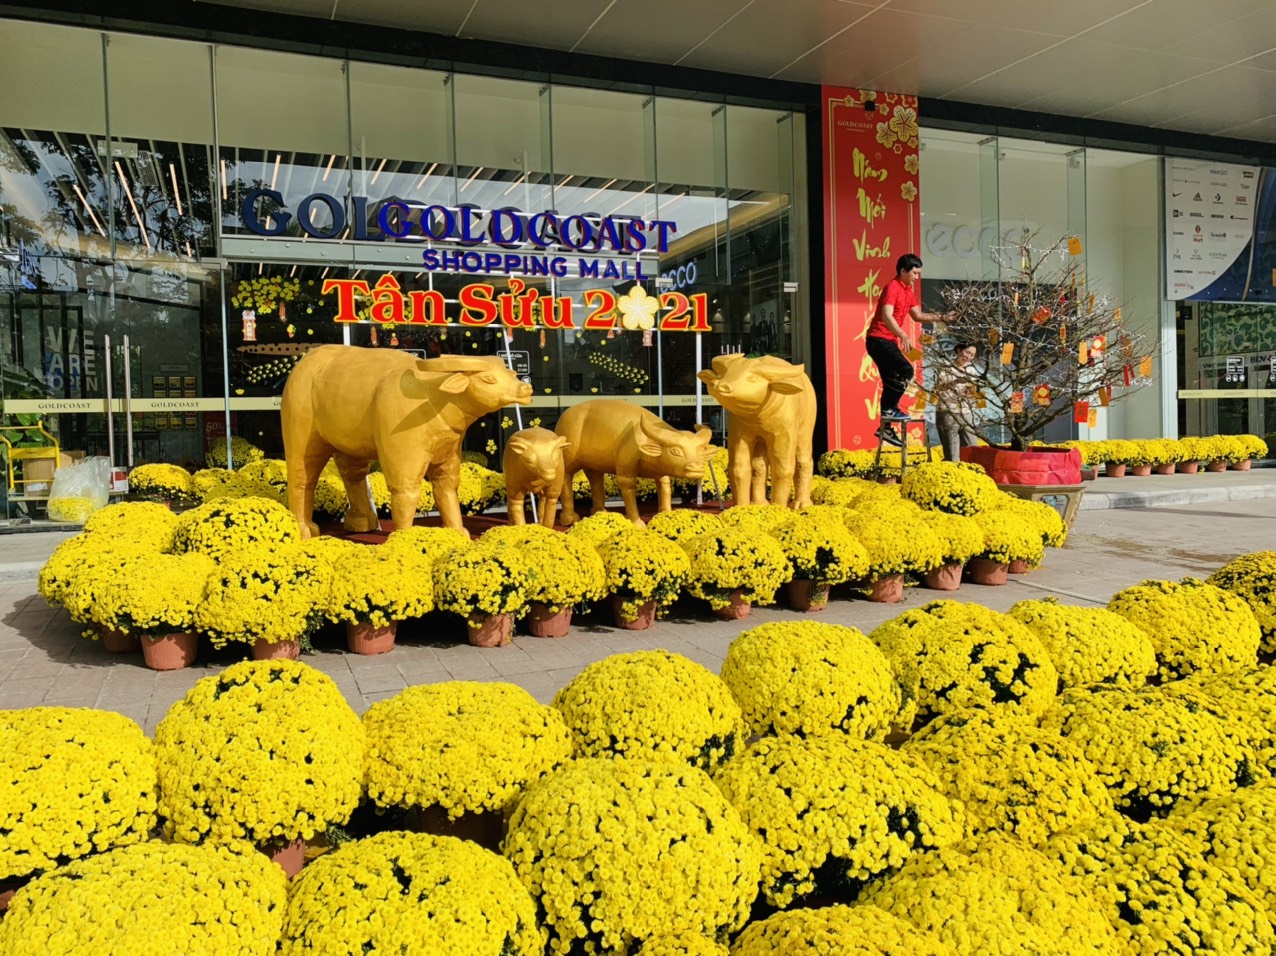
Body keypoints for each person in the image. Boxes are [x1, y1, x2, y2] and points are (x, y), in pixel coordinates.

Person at [867, 253, 929, 445]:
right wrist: (903, 335)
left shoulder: (908, 290)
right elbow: (886, 315)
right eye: (914, 273)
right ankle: (889, 411)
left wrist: (943, 317)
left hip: (888, 341)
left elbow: (917, 316)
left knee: (891, 381)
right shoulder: (892, 287)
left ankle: (885, 429)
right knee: (906, 370)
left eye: (919, 273)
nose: (916, 278)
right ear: (903, 271)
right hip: (879, 340)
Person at [934, 342, 980, 462]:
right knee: (952, 449)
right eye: (967, 352)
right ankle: (952, 474)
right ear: (959, 350)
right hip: (948, 410)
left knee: (972, 447)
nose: (969, 357)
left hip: (966, 410)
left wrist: (970, 394)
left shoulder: (972, 369)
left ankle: (972, 475)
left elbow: (973, 390)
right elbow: (938, 388)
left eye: (972, 355)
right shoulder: (945, 367)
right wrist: (955, 382)